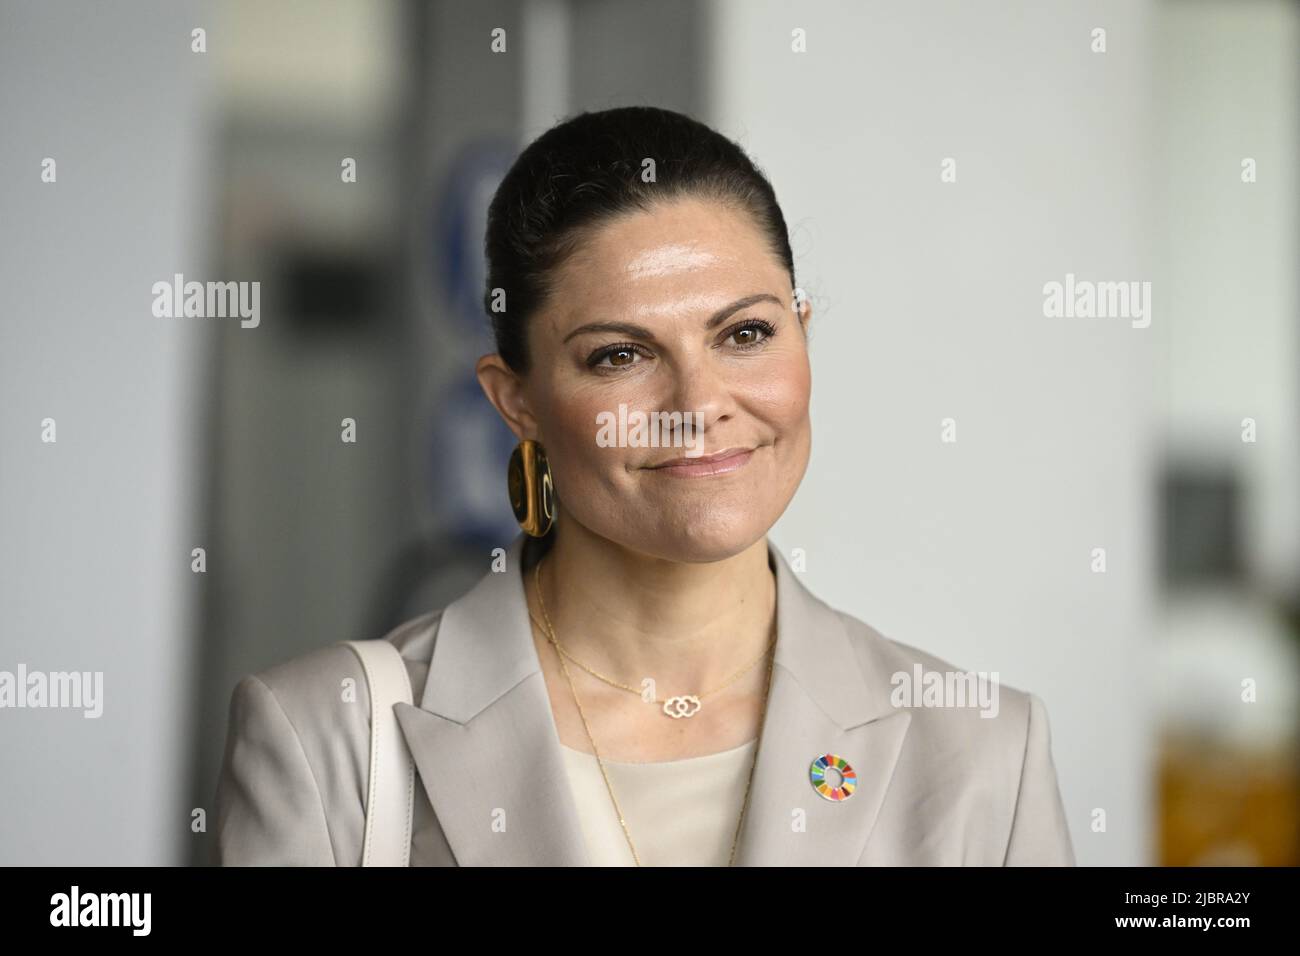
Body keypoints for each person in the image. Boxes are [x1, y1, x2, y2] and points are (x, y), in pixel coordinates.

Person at [213, 105, 1075, 866]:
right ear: (518, 403)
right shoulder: (324, 738)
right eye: (619, 355)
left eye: (744, 334)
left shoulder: (979, 751)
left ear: (803, 337)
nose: (698, 406)